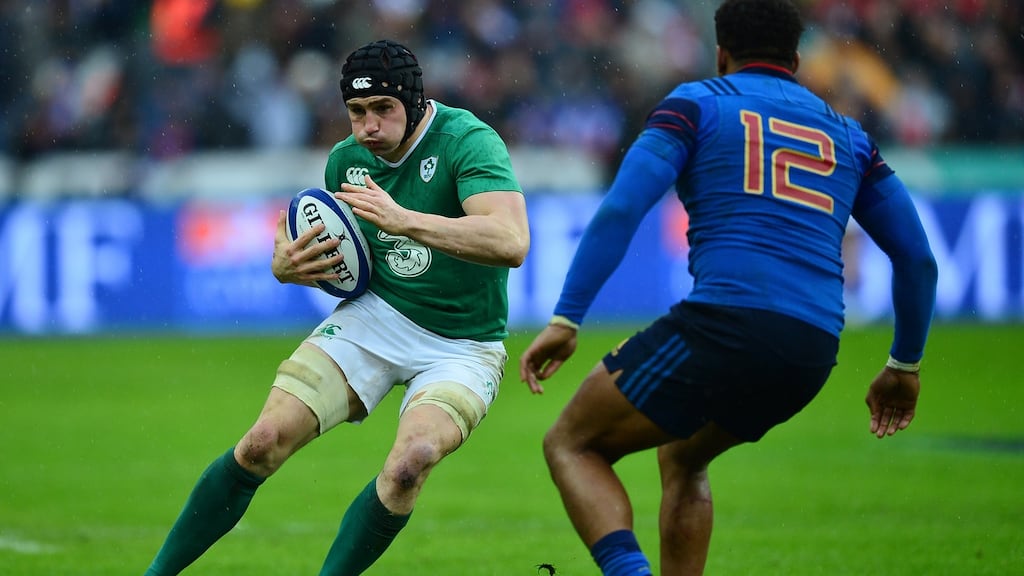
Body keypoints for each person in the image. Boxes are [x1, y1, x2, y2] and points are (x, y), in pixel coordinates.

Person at [517, 1, 938, 575]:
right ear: (796, 59)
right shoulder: (851, 135)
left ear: (720, 53)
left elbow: (621, 210)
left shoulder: (696, 104)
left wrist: (567, 319)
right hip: (812, 349)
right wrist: (904, 365)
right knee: (683, 458)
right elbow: (917, 259)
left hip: (726, 323)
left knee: (573, 443)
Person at [144, 39, 529, 575]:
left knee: (408, 467)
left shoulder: (468, 140)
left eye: (383, 109)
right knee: (260, 444)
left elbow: (511, 240)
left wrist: (405, 219)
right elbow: (351, 272)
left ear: (414, 103)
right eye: (356, 112)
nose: (368, 126)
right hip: (376, 317)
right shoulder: (345, 163)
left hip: (464, 344)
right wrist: (292, 268)